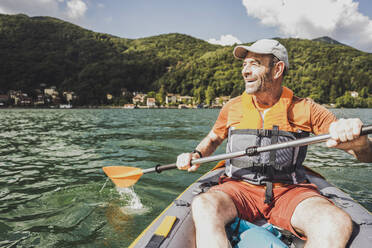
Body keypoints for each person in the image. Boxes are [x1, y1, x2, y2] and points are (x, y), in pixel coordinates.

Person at [176, 39, 372, 248]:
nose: (245, 71)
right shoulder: (232, 107)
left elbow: (367, 155)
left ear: (277, 69)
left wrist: (359, 143)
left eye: (255, 64)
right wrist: (197, 154)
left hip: (289, 191)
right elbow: (214, 138)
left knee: (335, 222)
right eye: (244, 65)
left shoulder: (306, 109)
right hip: (238, 189)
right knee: (204, 204)